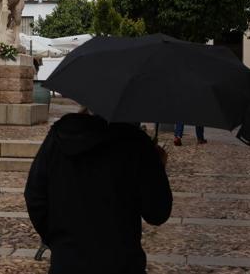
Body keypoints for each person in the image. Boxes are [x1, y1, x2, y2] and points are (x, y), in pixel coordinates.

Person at [24, 111, 172, 274]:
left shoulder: (60, 136)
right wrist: (157, 167)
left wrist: (59, 240)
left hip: (68, 262)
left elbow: (35, 197)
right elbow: (157, 213)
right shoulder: (137, 143)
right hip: (121, 262)